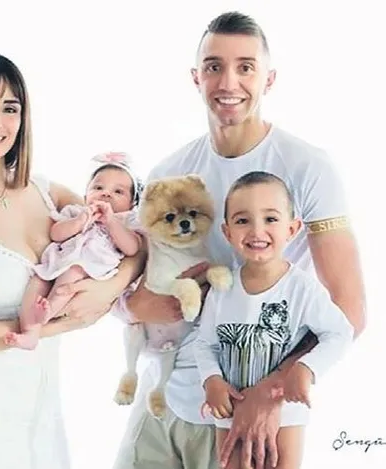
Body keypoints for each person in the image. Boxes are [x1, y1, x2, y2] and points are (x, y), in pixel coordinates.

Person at [111, 11, 366, 469]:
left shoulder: (308, 167)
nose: (229, 82)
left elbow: (348, 313)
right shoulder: (169, 172)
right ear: (196, 77)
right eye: (214, 66)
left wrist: (271, 394)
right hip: (163, 399)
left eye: (245, 67)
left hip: (244, 412)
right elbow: (129, 278)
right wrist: (133, 307)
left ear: (269, 78)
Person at [0, 53, 144, 469]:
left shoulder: (45, 191)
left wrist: (111, 285)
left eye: (9, 108)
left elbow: (135, 243)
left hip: (44, 419)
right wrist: (61, 325)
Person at [194, 171, 354, 469]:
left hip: (285, 413)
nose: (257, 230)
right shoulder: (222, 288)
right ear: (227, 232)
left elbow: (339, 332)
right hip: (229, 411)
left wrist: (306, 368)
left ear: (292, 229)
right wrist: (211, 379)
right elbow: (205, 343)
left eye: (270, 219)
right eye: (243, 220)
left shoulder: (302, 288)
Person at [4, 152, 144, 349]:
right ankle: (30, 332)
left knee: (71, 275)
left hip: (88, 267)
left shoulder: (126, 222)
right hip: (58, 260)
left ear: (132, 204)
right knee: (37, 281)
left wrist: (111, 221)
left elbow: (132, 249)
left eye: (118, 191)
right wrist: (79, 222)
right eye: (98, 188)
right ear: (86, 195)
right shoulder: (77, 212)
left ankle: (47, 314)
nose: (106, 194)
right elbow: (56, 233)